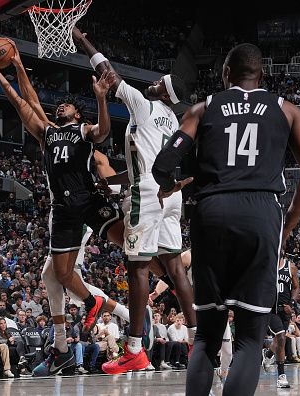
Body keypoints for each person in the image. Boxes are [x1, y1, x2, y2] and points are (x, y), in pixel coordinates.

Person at [152, 43, 300, 396]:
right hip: (261, 213)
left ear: (226, 74)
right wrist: (288, 223)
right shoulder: (287, 110)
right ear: (261, 75)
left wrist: (172, 184)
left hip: (211, 212)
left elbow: (161, 166)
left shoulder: (204, 108)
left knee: (206, 336)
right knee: (249, 338)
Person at [0, 44, 124, 377]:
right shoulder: (47, 133)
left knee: (128, 244)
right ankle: (93, 304)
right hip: (63, 209)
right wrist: (7, 70)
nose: (60, 106)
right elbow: (23, 100)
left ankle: (160, 278)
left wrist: (102, 98)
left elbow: (103, 132)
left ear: (76, 114)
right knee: (60, 275)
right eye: (58, 105)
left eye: (67, 105)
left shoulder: (82, 131)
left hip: (89, 199)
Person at [72, 27, 196, 374]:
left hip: (148, 192)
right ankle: (198, 338)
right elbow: (146, 162)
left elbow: (107, 72)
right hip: (172, 195)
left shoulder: (143, 103)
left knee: (137, 266)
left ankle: (135, 348)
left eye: (159, 81)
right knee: (174, 268)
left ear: (163, 91)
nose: (154, 81)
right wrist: (110, 182)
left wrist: (82, 39)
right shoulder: (171, 119)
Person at [263, 257, 300, 388]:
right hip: (271, 310)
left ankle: (268, 354)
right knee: (281, 337)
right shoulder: (265, 264)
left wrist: (292, 303)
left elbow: (296, 288)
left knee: (279, 340)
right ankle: (281, 376)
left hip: (285, 311)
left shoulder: (290, 267)